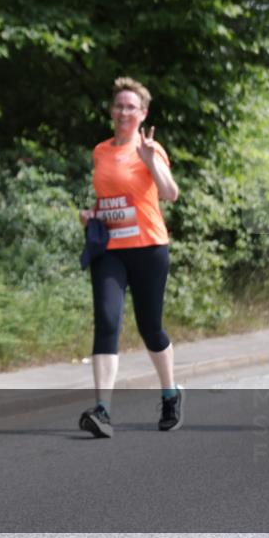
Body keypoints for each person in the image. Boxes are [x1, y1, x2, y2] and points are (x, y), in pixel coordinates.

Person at [77, 77, 182, 438]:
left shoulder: (151, 149)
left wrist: (151, 160)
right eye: (118, 106)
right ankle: (102, 410)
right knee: (107, 320)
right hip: (110, 251)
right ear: (112, 111)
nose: (123, 112)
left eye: (130, 107)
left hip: (150, 248)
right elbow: (109, 197)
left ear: (143, 113)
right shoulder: (101, 151)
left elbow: (170, 193)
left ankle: (170, 393)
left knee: (150, 327)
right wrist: (92, 214)